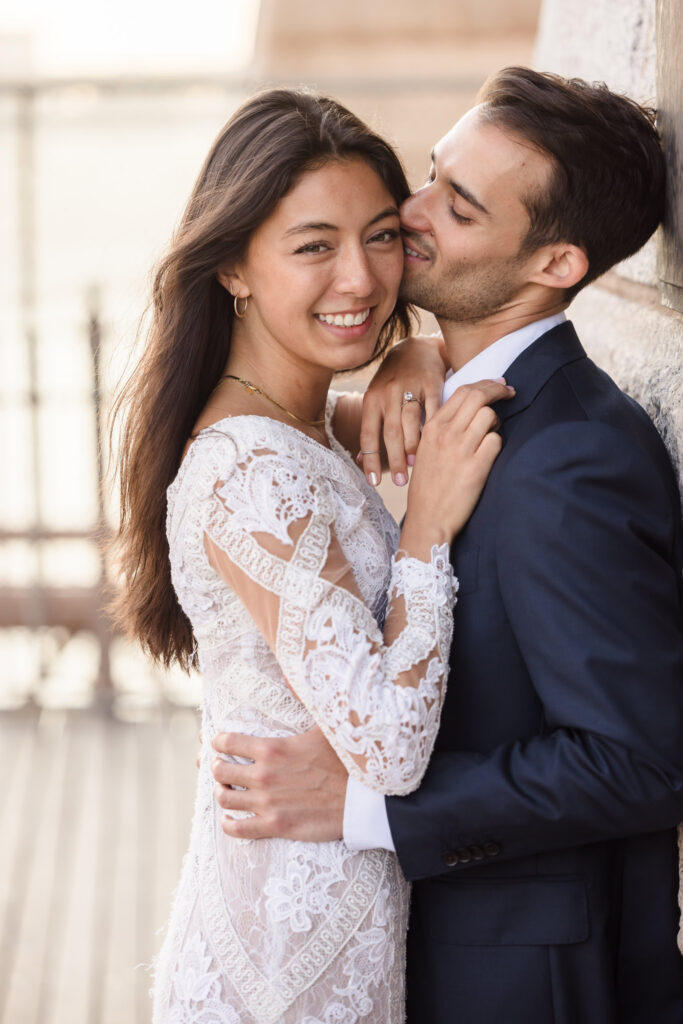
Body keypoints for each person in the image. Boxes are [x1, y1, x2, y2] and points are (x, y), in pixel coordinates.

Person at [211, 68, 683, 1022]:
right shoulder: (460, 400)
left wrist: (364, 809)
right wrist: (414, 344)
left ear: (554, 265)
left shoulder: (570, 460)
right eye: (431, 173)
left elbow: (644, 761)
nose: (409, 213)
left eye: (457, 209)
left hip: (524, 977)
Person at [110, 87, 512, 1022]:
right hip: (287, 961)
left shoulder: (296, 425)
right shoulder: (248, 467)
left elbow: (370, 415)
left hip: (332, 919)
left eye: (380, 236)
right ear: (233, 269)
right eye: (312, 246)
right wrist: (424, 535)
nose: (360, 280)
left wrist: (412, 353)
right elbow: (386, 745)